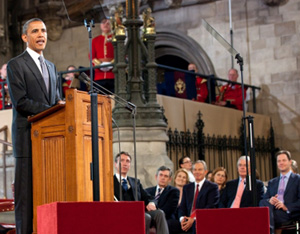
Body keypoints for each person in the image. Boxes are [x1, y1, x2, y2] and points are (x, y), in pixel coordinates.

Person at [6, 18, 62, 234]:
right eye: (35, 31)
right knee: (26, 200)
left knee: (48, 197)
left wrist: (60, 107)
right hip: (28, 139)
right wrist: (51, 109)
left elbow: (56, 100)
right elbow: (20, 102)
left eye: (44, 31)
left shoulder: (51, 66)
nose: (41, 35)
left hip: (50, 142)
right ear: (24, 37)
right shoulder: (16, 65)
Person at [113, 152, 169, 234]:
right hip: (121, 213)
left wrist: (152, 203)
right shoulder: (110, 181)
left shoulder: (135, 182)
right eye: (122, 160)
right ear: (115, 164)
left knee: (159, 213)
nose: (125, 163)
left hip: (137, 212)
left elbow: (148, 197)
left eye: (128, 161)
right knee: (145, 217)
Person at [259, 150, 300, 234]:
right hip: (273, 210)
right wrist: (270, 200)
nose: (281, 163)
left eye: (284, 160)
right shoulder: (272, 182)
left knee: (265, 217)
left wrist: (286, 207)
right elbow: (264, 199)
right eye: (279, 161)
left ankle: (269, 230)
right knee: (263, 202)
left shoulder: (297, 179)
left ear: (290, 162)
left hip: (288, 212)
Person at [174, 160, 219, 234]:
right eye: (195, 170)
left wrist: (194, 219)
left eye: (200, 169)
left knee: (196, 225)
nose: (197, 172)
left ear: (205, 171)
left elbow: (210, 207)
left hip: (202, 219)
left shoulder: (212, 187)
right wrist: (182, 218)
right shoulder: (187, 187)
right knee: (170, 225)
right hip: (187, 219)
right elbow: (182, 207)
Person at [145, 166, 179, 232]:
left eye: (166, 176)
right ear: (156, 177)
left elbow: (169, 210)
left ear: (169, 179)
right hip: (149, 218)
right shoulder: (147, 191)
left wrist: (155, 212)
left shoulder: (173, 191)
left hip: (166, 219)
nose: (163, 178)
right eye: (161, 175)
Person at [91, 18, 114, 93]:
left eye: (108, 23)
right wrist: (100, 65)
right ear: (100, 26)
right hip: (99, 75)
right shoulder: (95, 40)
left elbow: (121, 54)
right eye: (104, 23)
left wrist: (111, 64)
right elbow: (91, 56)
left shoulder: (115, 38)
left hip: (113, 74)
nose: (106, 25)